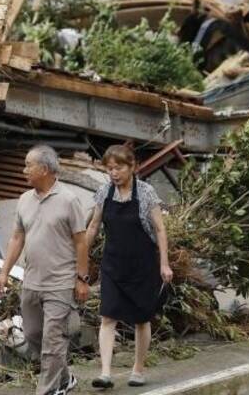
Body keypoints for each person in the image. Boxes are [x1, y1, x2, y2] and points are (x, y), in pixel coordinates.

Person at [0, 144, 90, 395]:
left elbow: (81, 242)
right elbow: (17, 238)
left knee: (52, 340)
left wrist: (81, 279)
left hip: (60, 282)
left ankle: (45, 391)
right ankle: (65, 379)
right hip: (32, 281)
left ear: (44, 169)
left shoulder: (69, 200)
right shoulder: (25, 200)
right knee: (34, 333)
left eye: (28, 165)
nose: (24, 170)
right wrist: (4, 272)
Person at [86, 145, 173, 389]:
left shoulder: (146, 192)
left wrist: (164, 264)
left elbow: (159, 229)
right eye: (110, 168)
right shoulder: (104, 192)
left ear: (132, 167)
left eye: (119, 167)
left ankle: (138, 369)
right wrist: (79, 257)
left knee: (141, 319)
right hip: (113, 264)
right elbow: (93, 226)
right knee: (107, 316)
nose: (114, 173)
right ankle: (105, 373)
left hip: (142, 265)